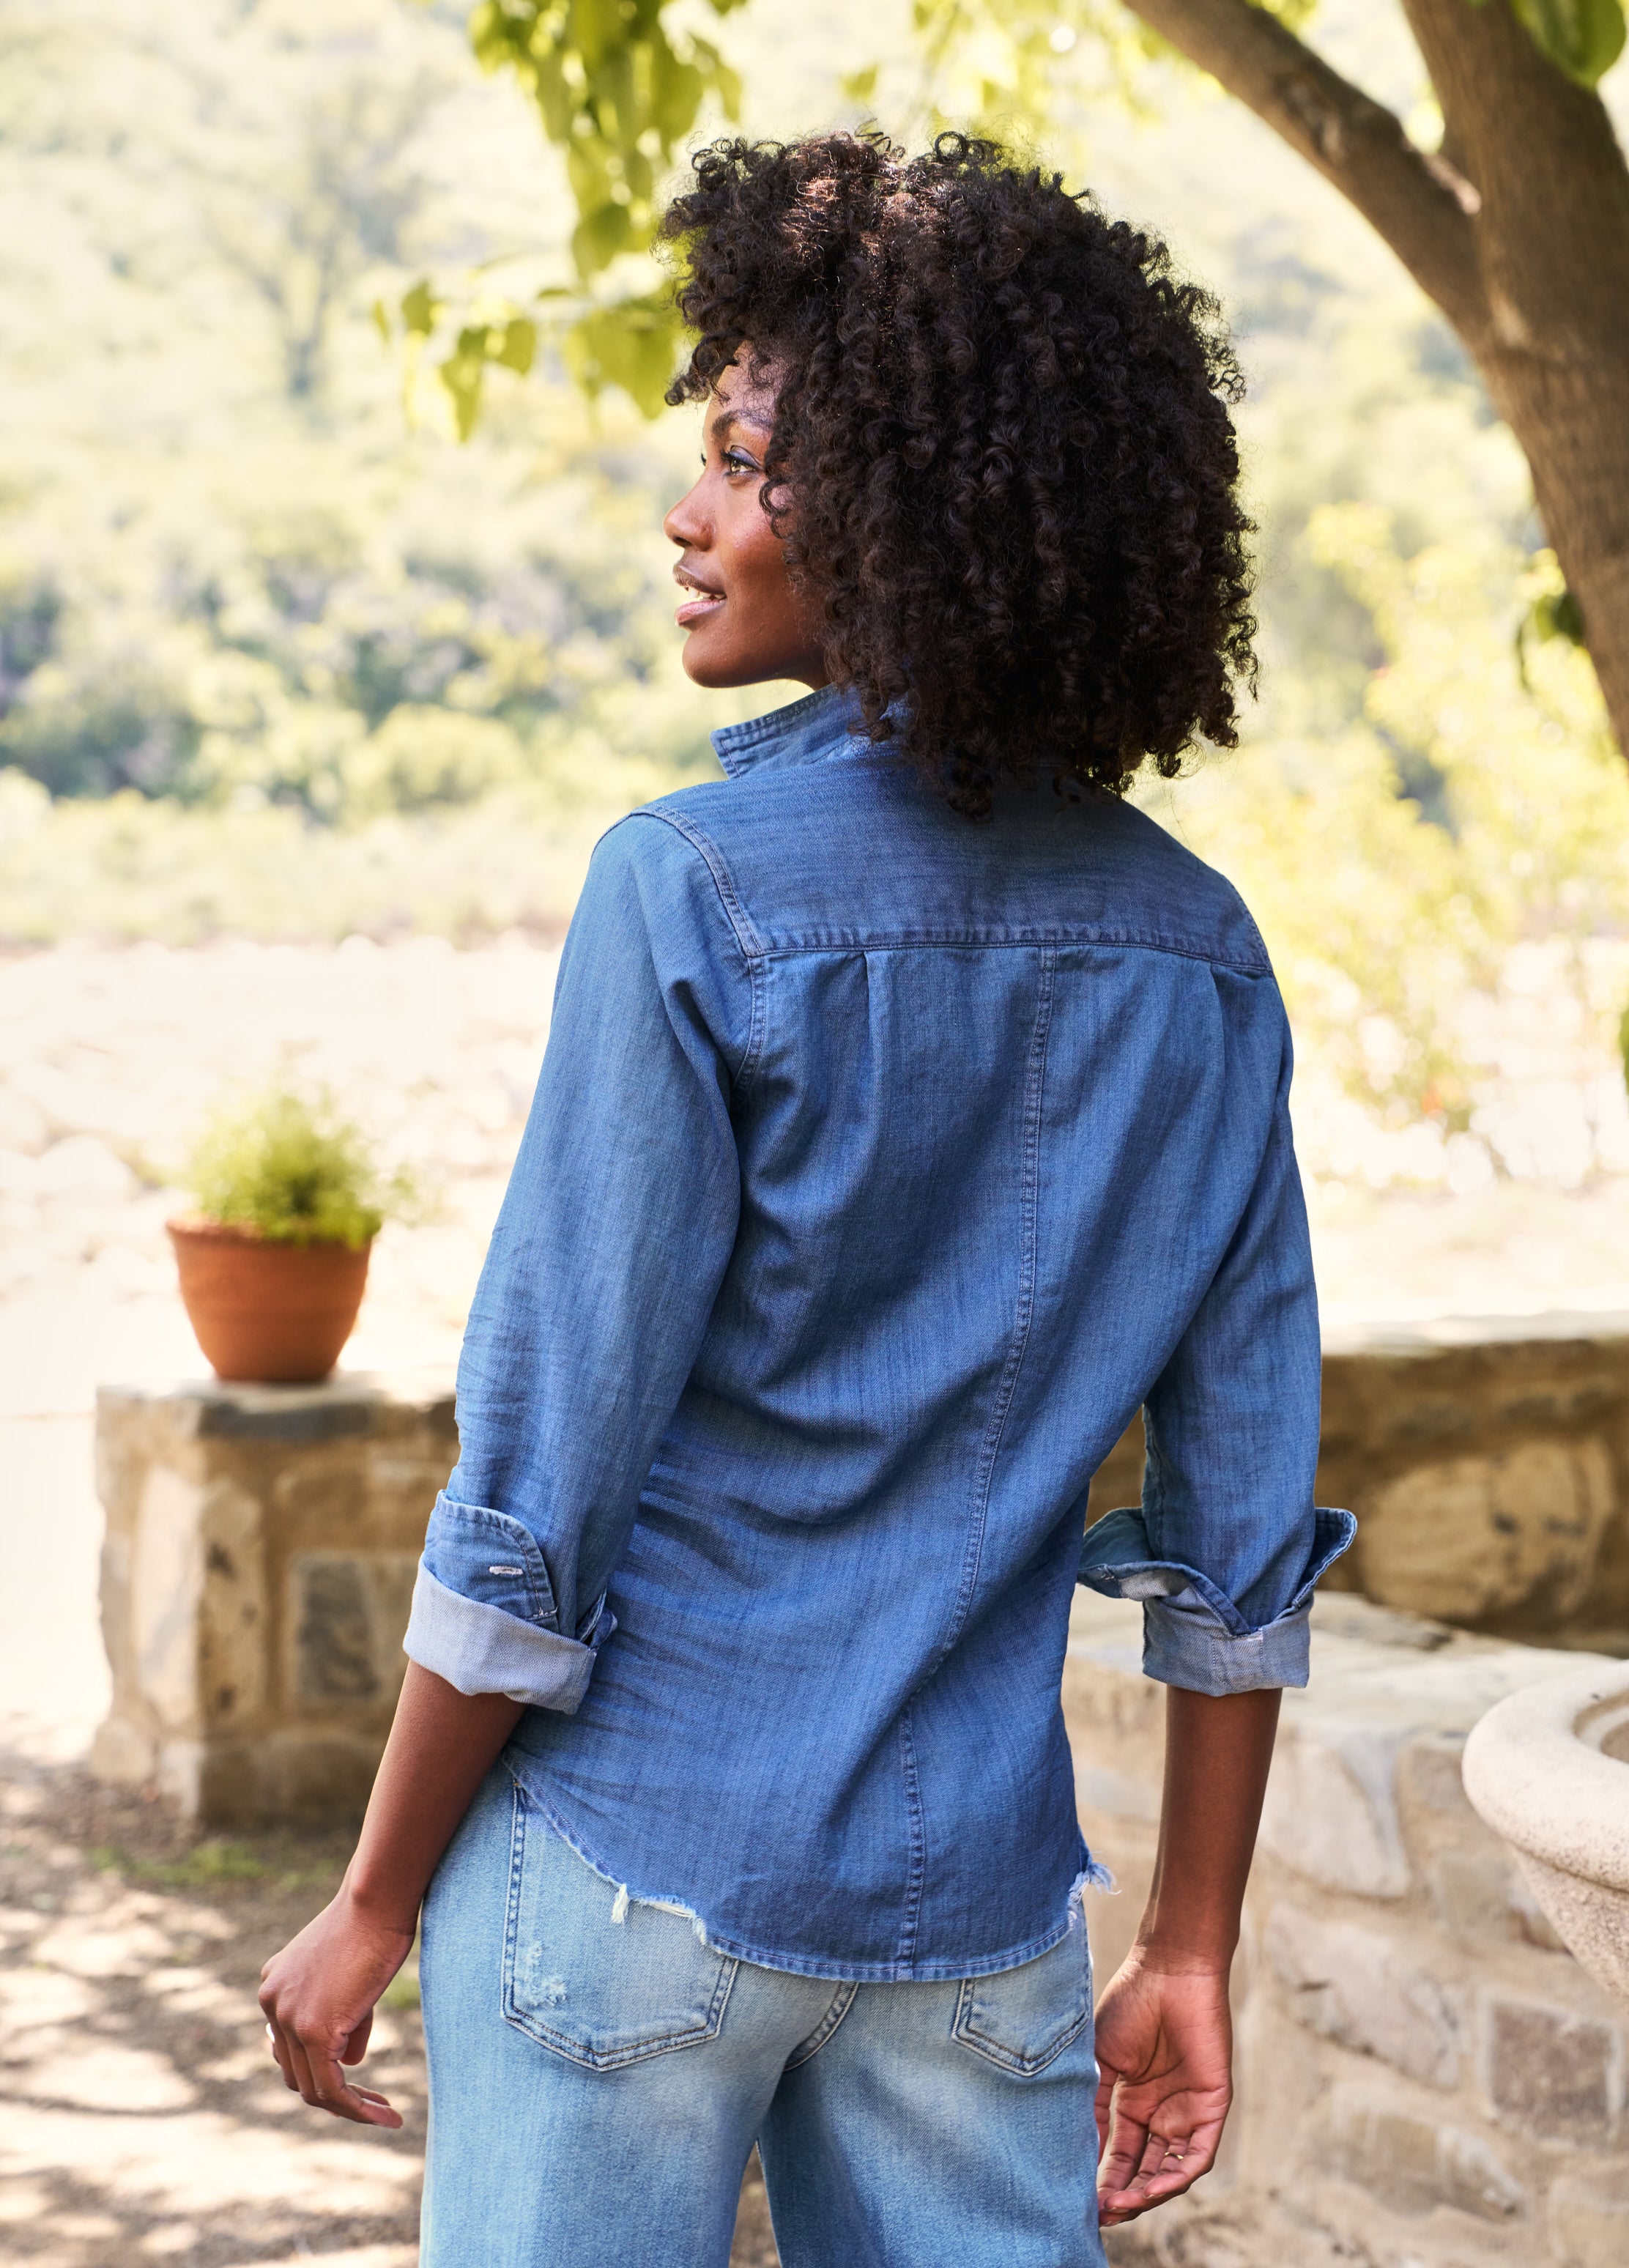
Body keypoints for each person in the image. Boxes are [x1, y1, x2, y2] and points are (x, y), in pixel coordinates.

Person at [259, 130, 1352, 2268]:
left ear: (903, 512)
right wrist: (1191, 1946)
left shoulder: (686, 893)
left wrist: (375, 1895)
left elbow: (540, 1488)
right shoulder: (1203, 961)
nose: (688, 511)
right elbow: (1240, 1542)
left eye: (747, 462)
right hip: (972, 1920)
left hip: (621, 1872)